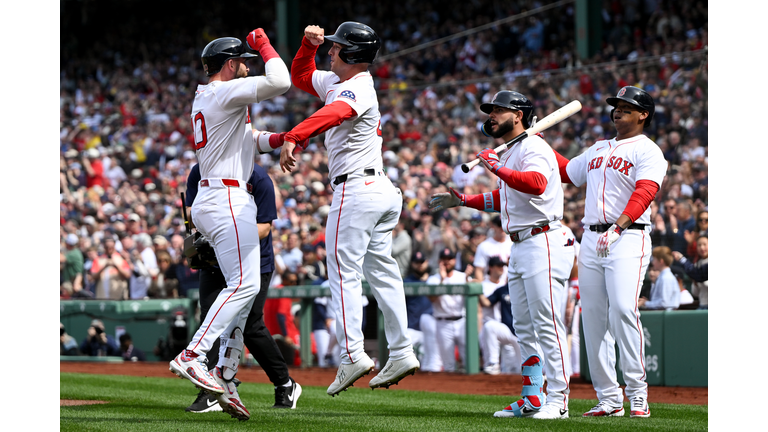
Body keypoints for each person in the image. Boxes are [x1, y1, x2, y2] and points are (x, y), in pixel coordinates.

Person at [272, 22, 419, 396]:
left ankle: (353, 352)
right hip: (377, 188)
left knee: (342, 272)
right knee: (381, 271)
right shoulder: (339, 81)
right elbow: (301, 76)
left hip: (356, 189)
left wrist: (295, 136)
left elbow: (335, 113)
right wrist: (306, 45)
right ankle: (401, 350)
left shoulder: (358, 86)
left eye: (336, 48)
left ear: (352, 55)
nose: (330, 51)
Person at [169, 29, 293, 421]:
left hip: (214, 196)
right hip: (226, 198)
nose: (246, 66)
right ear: (229, 63)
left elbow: (250, 139)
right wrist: (263, 43)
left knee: (245, 288)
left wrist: (287, 138)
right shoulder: (223, 92)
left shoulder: (209, 98)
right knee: (245, 285)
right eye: (243, 61)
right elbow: (281, 81)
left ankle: (223, 373)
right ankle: (194, 356)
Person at [430, 90, 574, 419]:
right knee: (523, 326)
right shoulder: (512, 151)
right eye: (490, 111)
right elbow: (507, 197)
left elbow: (536, 184)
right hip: (522, 243)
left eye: (499, 110)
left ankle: (560, 400)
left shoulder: (534, 146)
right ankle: (532, 397)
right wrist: (465, 201)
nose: (491, 115)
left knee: (548, 324)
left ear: (519, 116)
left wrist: (495, 167)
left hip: (545, 239)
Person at [552, 86, 667, 418]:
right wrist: (538, 147)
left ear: (643, 114)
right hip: (591, 236)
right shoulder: (598, 148)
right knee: (594, 319)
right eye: (617, 106)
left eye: (627, 107)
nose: (618, 110)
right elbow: (568, 173)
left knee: (622, 309)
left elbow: (646, 191)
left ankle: (637, 394)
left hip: (629, 236)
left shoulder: (649, 151)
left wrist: (619, 226)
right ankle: (609, 398)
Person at [183, 162, 302, 417]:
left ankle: (285, 383)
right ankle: (212, 389)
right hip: (214, 261)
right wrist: (200, 235)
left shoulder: (258, 177)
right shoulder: (199, 170)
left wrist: (219, 237)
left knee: (250, 326)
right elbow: (191, 212)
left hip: (254, 260)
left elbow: (264, 227)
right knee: (210, 318)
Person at [426, 247, 468, 372]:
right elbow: (432, 298)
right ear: (439, 261)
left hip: (461, 320)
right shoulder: (433, 279)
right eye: (444, 259)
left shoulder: (462, 277)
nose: (447, 262)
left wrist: (471, 279)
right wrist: (442, 280)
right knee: (448, 365)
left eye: (449, 259)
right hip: (443, 322)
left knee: (468, 361)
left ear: (454, 260)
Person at [478, 256, 520, 375]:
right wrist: (477, 288)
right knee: (490, 326)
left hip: (524, 335)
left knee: (520, 370)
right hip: (507, 329)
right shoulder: (502, 289)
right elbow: (486, 302)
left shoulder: (526, 288)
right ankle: (493, 363)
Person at [472, 215, 512, 281]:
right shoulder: (484, 246)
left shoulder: (513, 244)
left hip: (509, 285)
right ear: (493, 226)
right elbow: (479, 270)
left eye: (504, 225)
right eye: (499, 225)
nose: (502, 228)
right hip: (490, 285)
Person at [672, 235, 708, 309]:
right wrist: (696, 283)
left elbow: (699, 275)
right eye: (699, 245)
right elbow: (695, 293)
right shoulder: (697, 264)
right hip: (702, 304)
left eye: (705, 244)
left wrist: (682, 259)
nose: (702, 248)